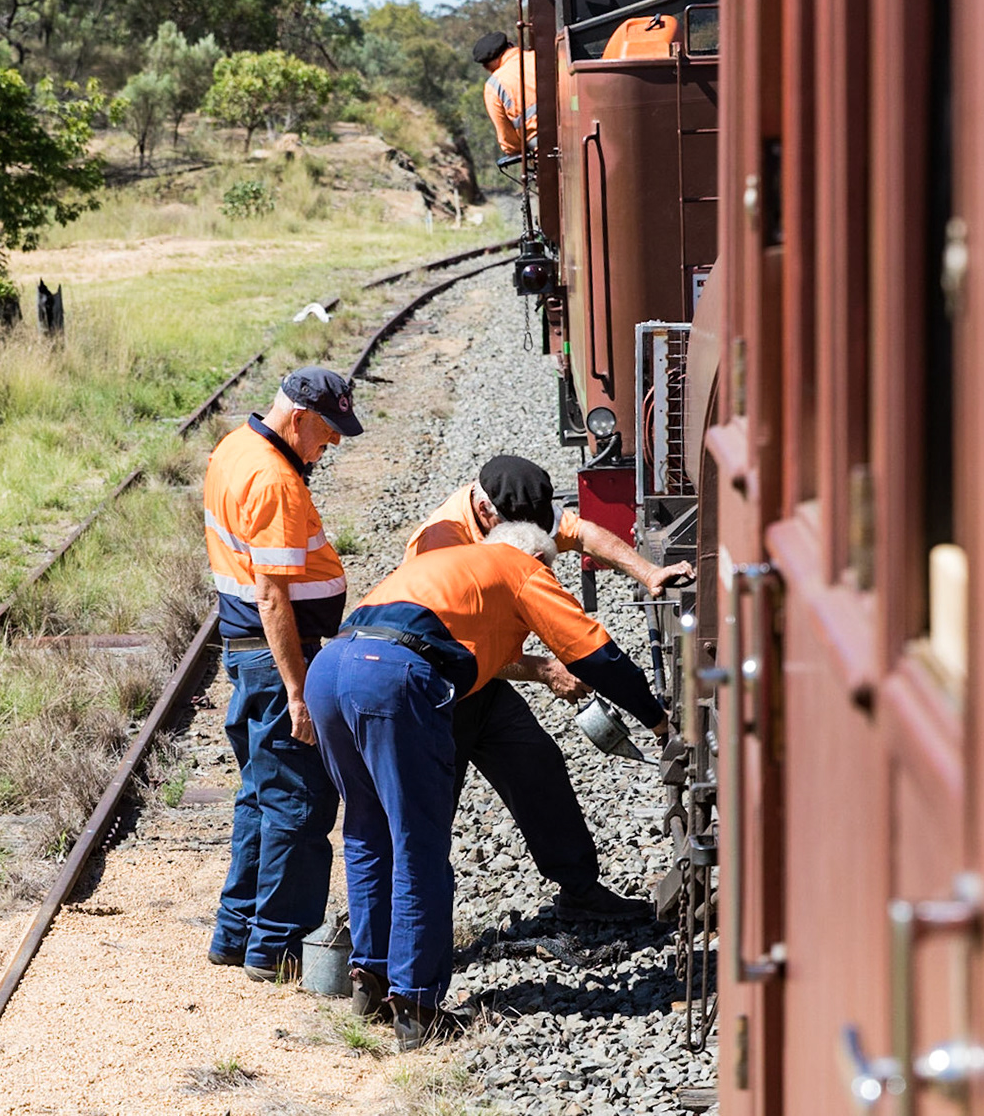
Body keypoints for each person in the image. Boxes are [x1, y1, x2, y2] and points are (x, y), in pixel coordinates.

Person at [303, 522, 668, 1049]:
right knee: (418, 843)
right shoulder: (521, 568)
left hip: (331, 668)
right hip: (391, 676)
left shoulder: (453, 565)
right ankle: (416, 1007)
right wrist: (656, 720)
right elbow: (593, 654)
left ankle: (369, 982)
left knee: (366, 830)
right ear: (539, 560)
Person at [405, 455, 694, 919]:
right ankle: (415, 936)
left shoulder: (515, 510)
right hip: (437, 687)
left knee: (536, 766)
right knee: (428, 808)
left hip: (484, 687)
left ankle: (580, 893)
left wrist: (647, 572)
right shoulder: (441, 542)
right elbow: (448, 647)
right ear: (486, 515)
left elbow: (581, 532)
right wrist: (543, 669)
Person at [204, 367, 363, 981]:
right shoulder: (274, 479)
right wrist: (298, 691)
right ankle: (279, 947)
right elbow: (274, 597)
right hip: (277, 657)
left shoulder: (235, 448)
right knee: (299, 801)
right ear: (298, 417)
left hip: (247, 651)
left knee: (259, 796)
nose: (335, 444)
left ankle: (236, 932)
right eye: (329, 431)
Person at [473, 30, 538, 157]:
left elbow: (509, 143)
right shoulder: (539, 56)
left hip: (541, 144)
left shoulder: (494, 85)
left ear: (487, 66)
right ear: (511, 45)